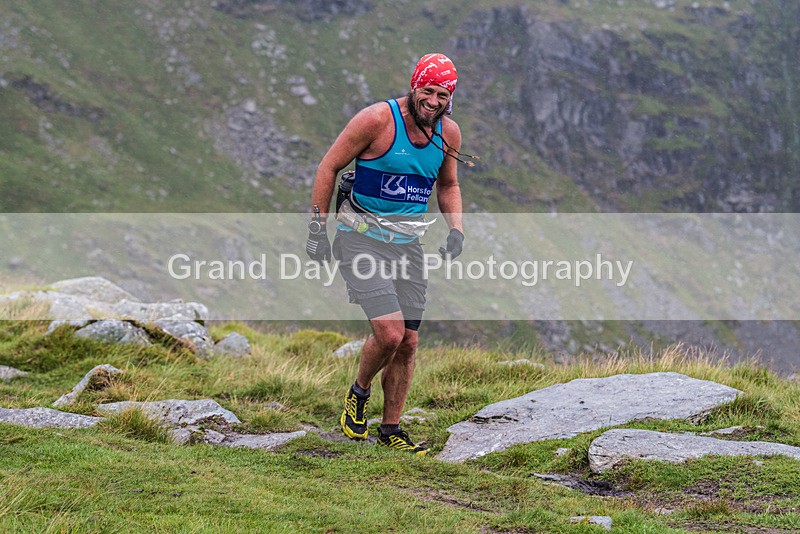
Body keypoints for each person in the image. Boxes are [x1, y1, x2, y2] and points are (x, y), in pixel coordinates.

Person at [306, 53, 469, 455]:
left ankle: (391, 429)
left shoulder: (448, 134)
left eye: (443, 95)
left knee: (409, 342)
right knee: (390, 333)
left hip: (407, 245)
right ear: (414, 86)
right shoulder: (376, 120)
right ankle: (358, 394)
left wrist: (457, 230)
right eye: (428, 91)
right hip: (359, 238)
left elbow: (447, 185)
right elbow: (328, 167)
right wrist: (316, 229)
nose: (433, 101)